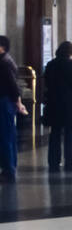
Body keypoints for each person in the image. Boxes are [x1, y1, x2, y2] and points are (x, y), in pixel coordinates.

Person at [43, 41, 72, 172]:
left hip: (53, 102)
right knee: (69, 133)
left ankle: (53, 161)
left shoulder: (50, 64)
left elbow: (47, 81)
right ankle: (70, 162)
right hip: (68, 103)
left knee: (54, 133)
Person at [0, 36, 27, 182]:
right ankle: (10, 167)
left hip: (4, 101)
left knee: (5, 136)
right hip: (7, 101)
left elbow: (12, 85)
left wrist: (18, 102)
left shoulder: (3, 63)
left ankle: (8, 169)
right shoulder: (7, 60)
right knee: (9, 135)